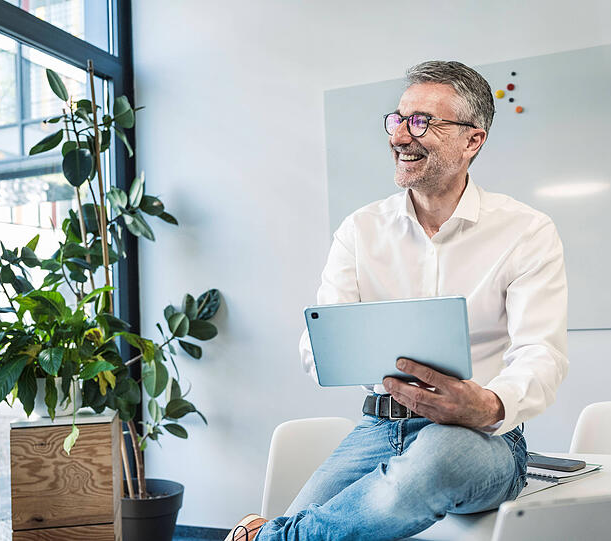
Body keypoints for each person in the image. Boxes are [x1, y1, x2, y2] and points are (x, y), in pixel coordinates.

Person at [225, 60, 568, 541]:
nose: (401, 136)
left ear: (473, 140)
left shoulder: (527, 231)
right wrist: (372, 362)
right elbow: (317, 344)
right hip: (378, 428)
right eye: (398, 119)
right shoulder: (359, 229)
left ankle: (265, 537)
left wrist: (488, 404)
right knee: (319, 520)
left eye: (422, 122)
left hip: (479, 438)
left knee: (429, 467)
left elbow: (541, 353)